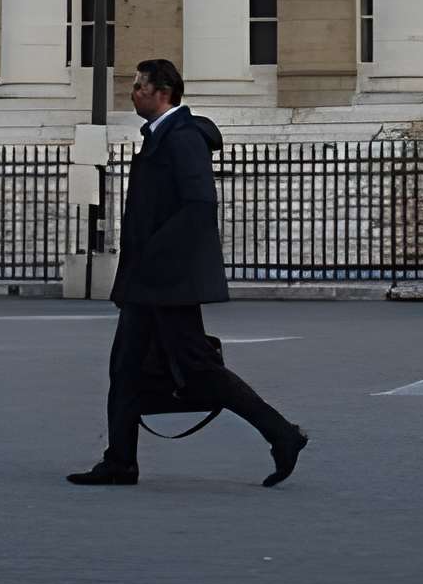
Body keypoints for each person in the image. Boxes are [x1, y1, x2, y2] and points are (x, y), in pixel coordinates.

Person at [68, 59, 307, 489]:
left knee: (198, 370)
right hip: (150, 281)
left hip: (167, 280)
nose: (133, 92)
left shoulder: (183, 138)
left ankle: (282, 433)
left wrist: (153, 260)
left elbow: (199, 204)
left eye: (138, 86)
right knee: (124, 368)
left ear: (161, 91)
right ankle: (120, 461)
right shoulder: (161, 136)